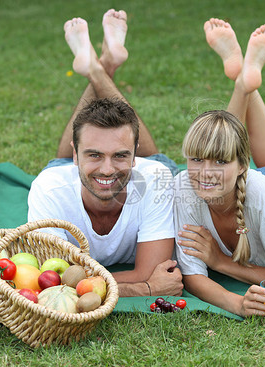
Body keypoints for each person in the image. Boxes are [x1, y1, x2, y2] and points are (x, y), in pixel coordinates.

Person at [28, 9, 183, 297]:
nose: (108, 169)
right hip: (67, 173)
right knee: (59, 165)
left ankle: (97, 69)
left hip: (149, 172)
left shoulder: (156, 179)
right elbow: (51, 284)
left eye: (122, 156)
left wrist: (79, 284)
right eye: (94, 155)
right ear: (76, 157)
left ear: (135, 157)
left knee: (156, 161)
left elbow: (151, 269)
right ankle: (102, 68)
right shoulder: (49, 188)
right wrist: (146, 288)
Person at [174, 19, 265, 317]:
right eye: (196, 159)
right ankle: (245, 80)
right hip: (245, 183)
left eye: (219, 161)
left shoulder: (264, 192)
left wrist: (221, 263)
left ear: (245, 164)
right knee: (229, 145)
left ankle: (245, 85)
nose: (204, 172)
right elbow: (191, 275)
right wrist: (236, 303)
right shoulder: (182, 186)